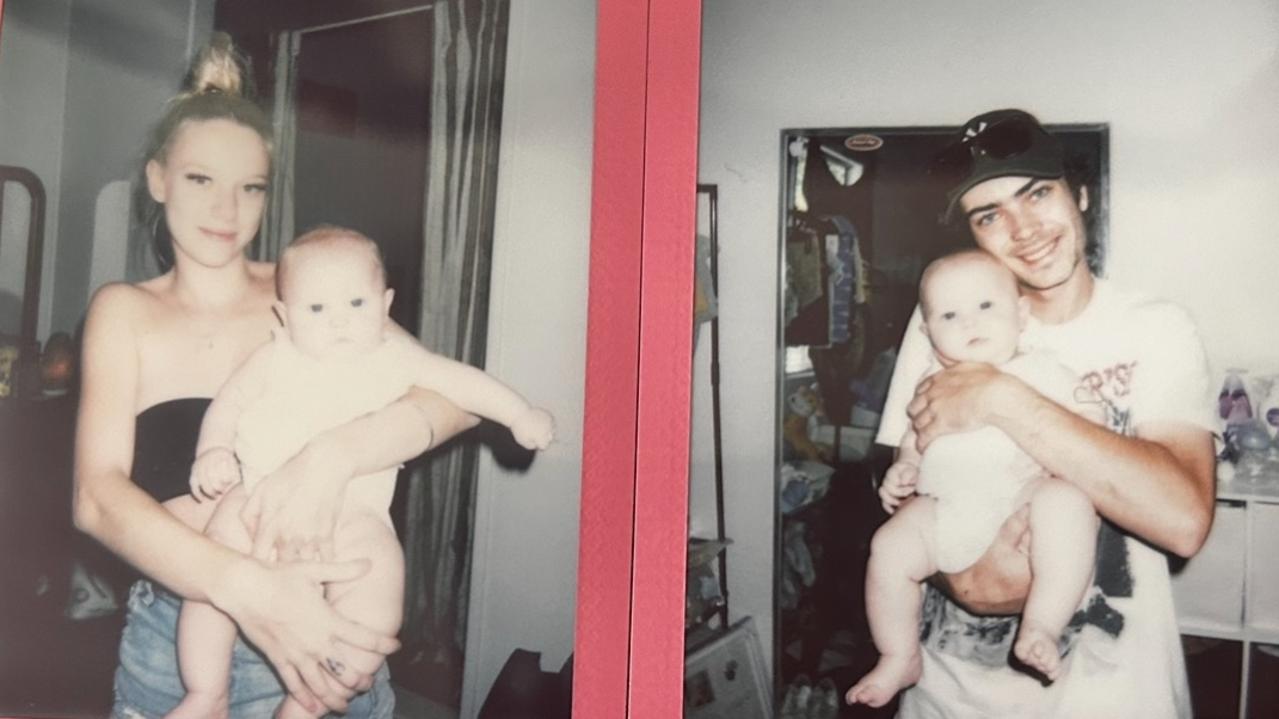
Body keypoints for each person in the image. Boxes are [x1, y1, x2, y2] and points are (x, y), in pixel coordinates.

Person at [74, 34, 479, 719]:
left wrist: (335, 455)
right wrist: (246, 587)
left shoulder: (307, 298)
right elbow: (96, 497)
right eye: (201, 178)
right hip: (182, 641)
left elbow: (450, 398)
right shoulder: (124, 310)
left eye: (250, 187)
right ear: (157, 178)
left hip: (324, 618)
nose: (226, 211)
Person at [868, 109, 1216, 717]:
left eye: (1037, 194)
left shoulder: (1154, 328)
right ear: (972, 233)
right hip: (950, 699)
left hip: (1114, 698)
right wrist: (963, 569)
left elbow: (1183, 521)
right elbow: (905, 477)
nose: (1023, 228)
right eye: (989, 215)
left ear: (1078, 193)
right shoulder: (944, 327)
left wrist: (1002, 399)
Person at [168, 226, 555, 719]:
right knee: (212, 574)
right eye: (316, 310)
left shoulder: (394, 359)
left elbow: (461, 384)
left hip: (357, 514)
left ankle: (306, 704)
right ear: (284, 316)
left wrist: (520, 413)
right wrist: (213, 451)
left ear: (385, 303)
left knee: (378, 599)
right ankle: (205, 691)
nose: (339, 323)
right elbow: (228, 404)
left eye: (356, 304)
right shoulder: (275, 356)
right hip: (256, 498)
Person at [846, 250, 1100, 708]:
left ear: (1021, 314)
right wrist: (905, 469)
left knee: (1066, 505)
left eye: (986, 307)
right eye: (949, 314)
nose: (970, 323)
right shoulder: (930, 379)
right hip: (948, 505)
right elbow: (914, 437)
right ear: (927, 334)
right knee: (888, 547)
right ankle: (899, 653)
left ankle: (1042, 623)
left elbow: (1087, 430)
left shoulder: (1042, 370)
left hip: (1024, 495)